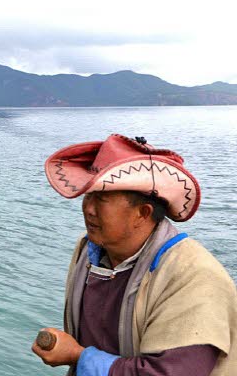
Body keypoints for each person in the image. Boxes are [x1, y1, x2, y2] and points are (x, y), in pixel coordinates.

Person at [31, 134, 237, 376]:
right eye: (89, 195)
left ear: (142, 213)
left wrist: (77, 356)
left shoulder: (194, 275)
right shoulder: (89, 249)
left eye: (102, 199)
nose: (88, 208)